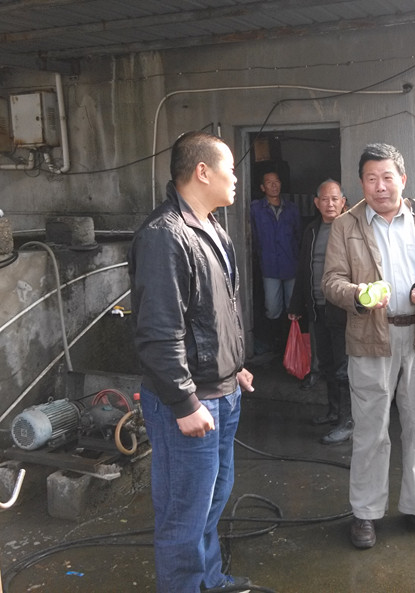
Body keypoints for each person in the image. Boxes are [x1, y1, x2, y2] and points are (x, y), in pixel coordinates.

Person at [128, 131, 255, 593]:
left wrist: (233, 365)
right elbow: (159, 331)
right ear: (203, 171)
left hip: (222, 391)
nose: (236, 178)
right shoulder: (165, 236)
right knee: (184, 513)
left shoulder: (212, 228)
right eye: (230, 169)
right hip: (190, 402)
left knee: (212, 500)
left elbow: (213, 313)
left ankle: (209, 580)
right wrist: (184, 403)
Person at [322, 143, 415, 549]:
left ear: (402, 179)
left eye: (387, 177)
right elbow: (331, 281)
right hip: (370, 338)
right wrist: (358, 295)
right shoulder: (345, 225)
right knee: (370, 430)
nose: (380, 186)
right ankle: (366, 512)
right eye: (371, 178)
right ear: (361, 183)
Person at [288, 179, 352, 444]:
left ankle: (347, 421)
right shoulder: (311, 230)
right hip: (317, 307)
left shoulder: (350, 229)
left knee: (343, 367)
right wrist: (296, 305)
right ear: (316, 203)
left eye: (335, 199)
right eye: (324, 199)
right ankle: (334, 412)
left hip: (342, 310)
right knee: (326, 364)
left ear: (343, 202)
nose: (330, 204)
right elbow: (303, 268)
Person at [250, 170, 302, 352]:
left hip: (290, 265)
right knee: (272, 308)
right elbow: (253, 237)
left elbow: (298, 235)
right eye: (269, 182)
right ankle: (275, 345)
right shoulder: (256, 209)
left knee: (292, 308)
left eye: (276, 181)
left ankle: (289, 348)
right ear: (262, 187)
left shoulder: (292, 209)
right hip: (269, 266)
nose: (274, 185)